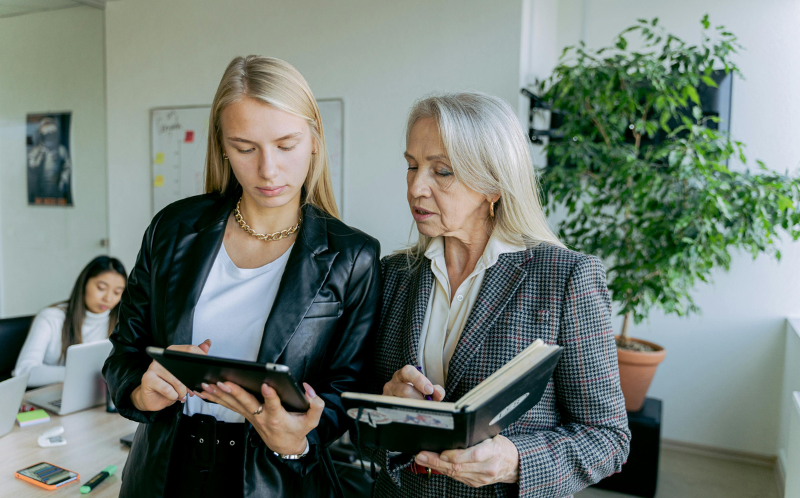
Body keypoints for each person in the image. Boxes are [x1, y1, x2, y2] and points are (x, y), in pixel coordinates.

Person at [102, 55, 381, 498]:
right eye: (245, 148)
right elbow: (123, 353)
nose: (268, 170)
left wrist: (297, 437)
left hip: (273, 480)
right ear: (223, 147)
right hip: (162, 474)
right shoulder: (173, 229)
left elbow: (348, 390)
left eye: (285, 145)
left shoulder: (353, 256)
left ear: (314, 140)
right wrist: (139, 390)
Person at [369, 92, 631, 497]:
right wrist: (387, 405)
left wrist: (515, 461)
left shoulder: (565, 278)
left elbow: (608, 438)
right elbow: (362, 412)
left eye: (442, 171)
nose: (416, 187)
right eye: (411, 166)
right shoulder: (392, 275)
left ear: (493, 185)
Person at [13, 256, 126, 388]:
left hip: (96, 395)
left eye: (117, 292)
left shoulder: (120, 322)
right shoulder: (51, 317)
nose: (108, 298)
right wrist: (79, 374)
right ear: (84, 284)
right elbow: (23, 371)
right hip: (50, 394)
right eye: (101, 288)